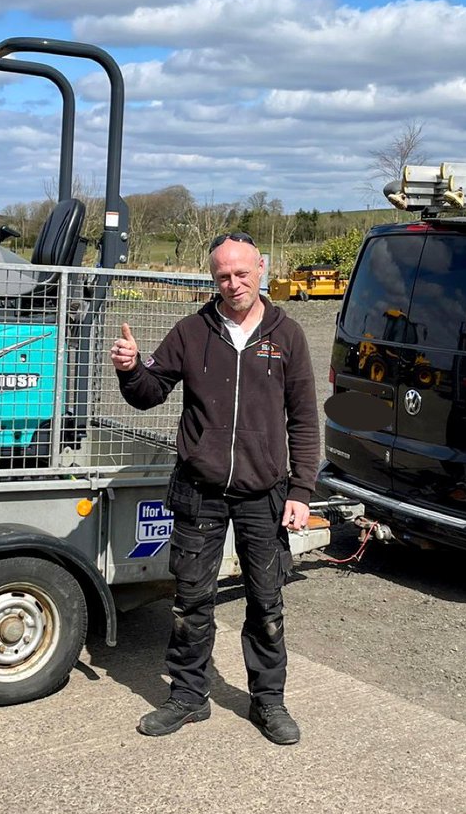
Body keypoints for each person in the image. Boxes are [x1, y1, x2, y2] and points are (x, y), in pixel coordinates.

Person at [110, 232, 319, 745]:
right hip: (200, 491)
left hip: (263, 493)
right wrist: (132, 368)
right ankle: (188, 696)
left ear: (262, 268)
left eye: (242, 272)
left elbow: (305, 421)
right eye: (223, 275)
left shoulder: (286, 336)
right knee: (190, 600)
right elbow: (148, 394)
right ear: (213, 279)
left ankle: (268, 701)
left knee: (266, 604)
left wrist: (301, 491)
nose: (234, 283)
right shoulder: (191, 331)